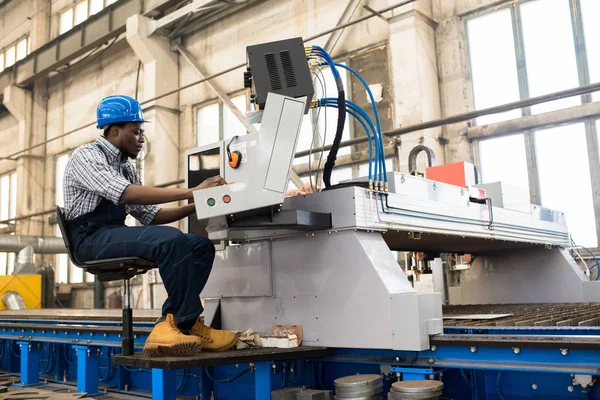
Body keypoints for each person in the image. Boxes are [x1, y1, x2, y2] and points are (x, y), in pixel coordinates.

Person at [63, 95, 238, 357]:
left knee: (199, 246)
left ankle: (178, 324)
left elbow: (150, 215)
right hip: (88, 239)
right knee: (170, 240)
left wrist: (202, 203)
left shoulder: (125, 167)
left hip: (111, 233)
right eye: (136, 132)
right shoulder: (86, 156)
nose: (142, 138)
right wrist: (192, 191)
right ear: (114, 131)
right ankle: (183, 323)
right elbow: (125, 194)